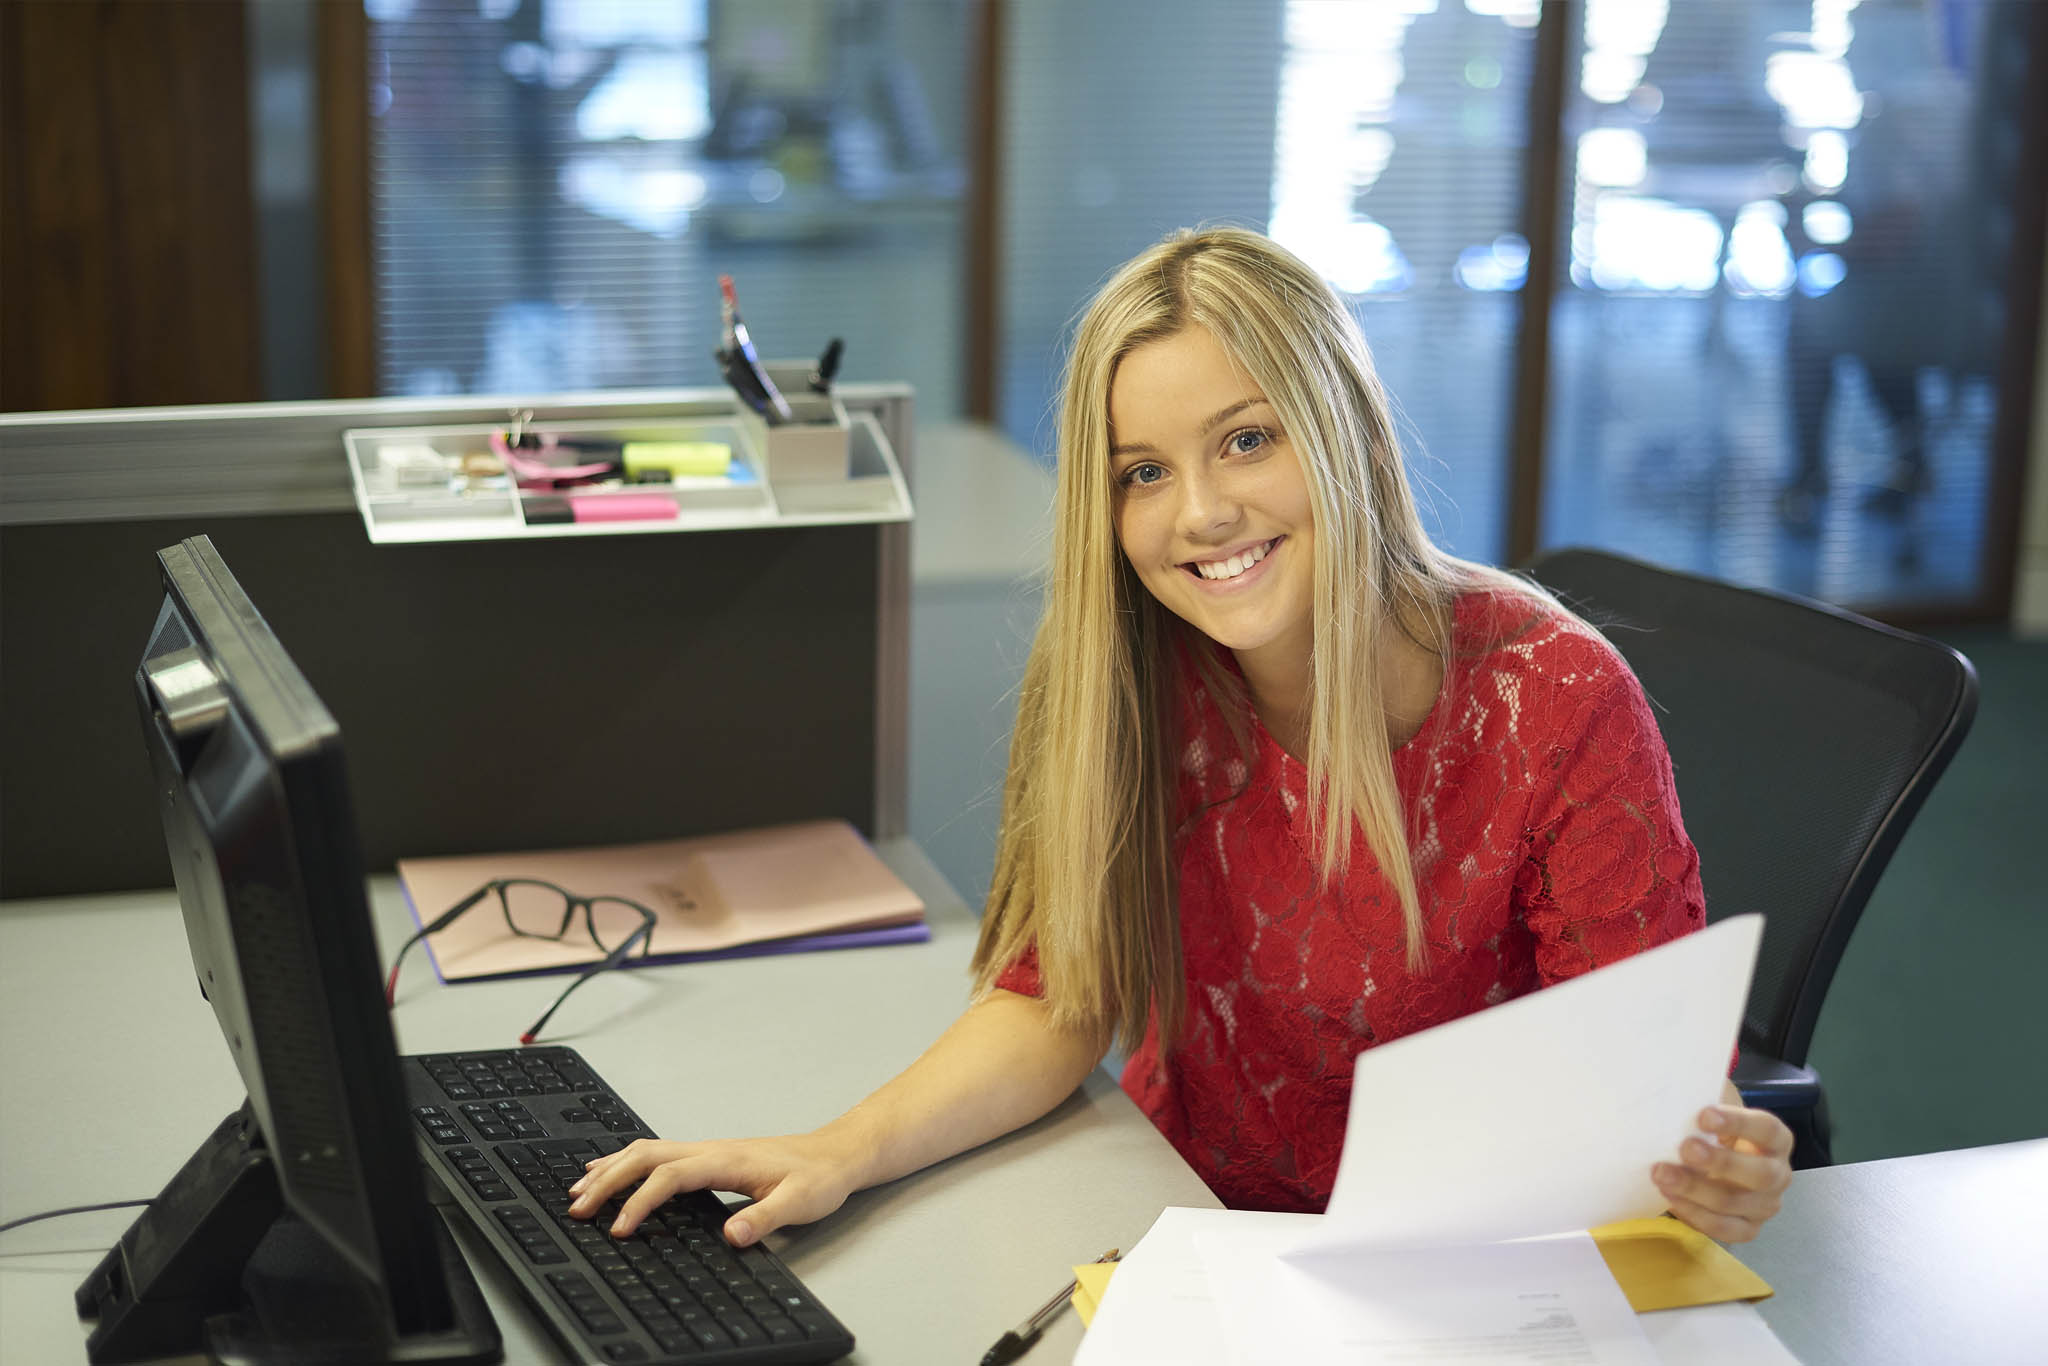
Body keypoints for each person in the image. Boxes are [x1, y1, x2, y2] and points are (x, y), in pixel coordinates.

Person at [568, 227, 1795, 1248]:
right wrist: (839, 1149)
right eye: (1140, 472)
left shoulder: (1553, 699)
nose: (1200, 513)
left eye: (1246, 440)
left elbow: (1639, 1080)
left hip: (1464, 1262)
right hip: (1185, 1221)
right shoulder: (1130, 671)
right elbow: (1059, 996)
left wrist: (1709, 1159)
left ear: (1350, 435)